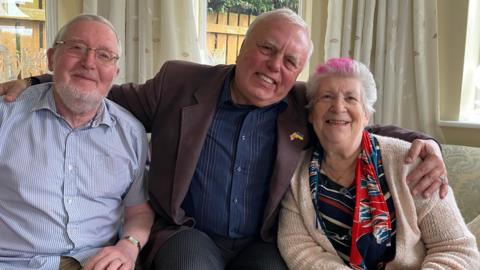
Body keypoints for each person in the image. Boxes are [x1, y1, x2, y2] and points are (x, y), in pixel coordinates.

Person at [0, 9, 448, 270]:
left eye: (290, 61)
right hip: (189, 231)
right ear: (242, 46)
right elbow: (101, 90)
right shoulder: (179, 82)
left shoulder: (301, 105)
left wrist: (426, 143)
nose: (274, 67)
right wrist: (40, 78)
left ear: (298, 73)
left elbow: (356, 122)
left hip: (262, 241)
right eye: (266, 49)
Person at [278, 58, 479, 269]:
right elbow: (298, 246)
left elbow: (457, 249)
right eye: (327, 97)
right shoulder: (296, 173)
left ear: (366, 115)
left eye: (351, 98)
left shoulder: (409, 161)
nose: (338, 106)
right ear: (311, 113)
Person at [0, 14, 154, 270]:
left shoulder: (131, 133)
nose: (89, 62)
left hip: (96, 263)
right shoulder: (6, 116)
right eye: (77, 48)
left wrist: (128, 246)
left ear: (115, 72)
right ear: (51, 58)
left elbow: (138, 211)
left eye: (104, 55)